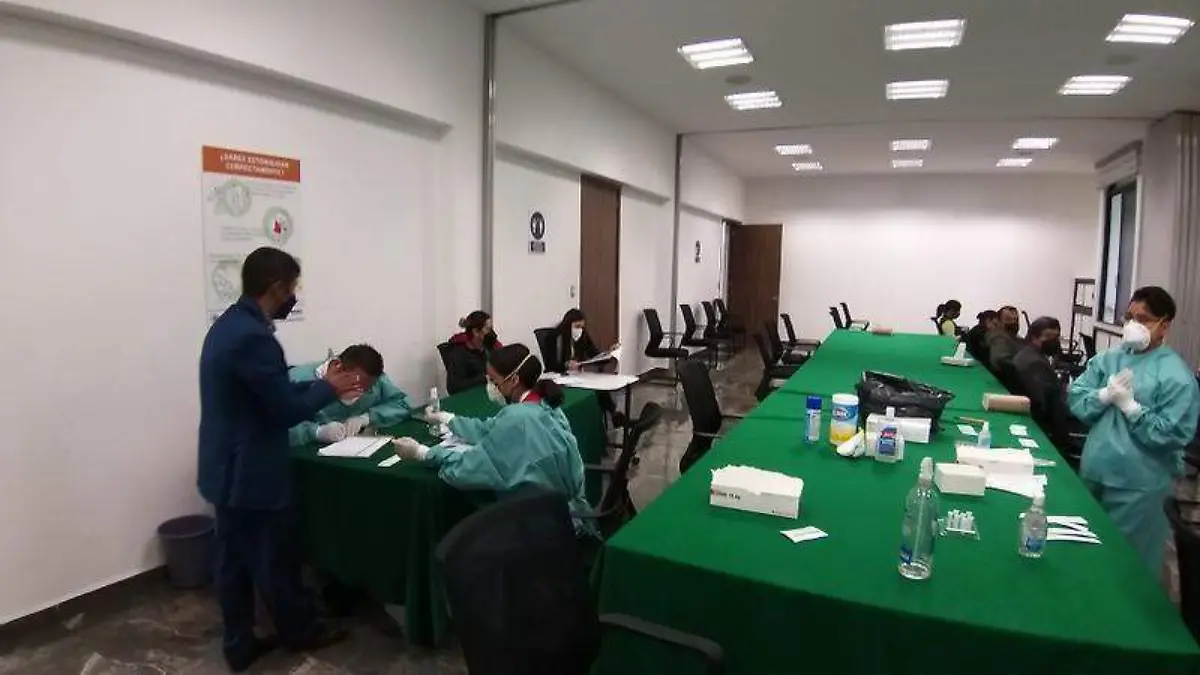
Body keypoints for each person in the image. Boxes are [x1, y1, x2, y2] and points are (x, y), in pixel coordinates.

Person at [198, 247, 362, 672]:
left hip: (223, 466)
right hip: (250, 472)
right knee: (276, 559)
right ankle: (301, 630)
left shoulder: (227, 326)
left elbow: (267, 391)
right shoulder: (254, 338)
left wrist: (316, 382)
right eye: (292, 288)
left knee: (232, 562)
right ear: (275, 287)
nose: (293, 296)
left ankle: (239, 645)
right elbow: (286, 410)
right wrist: (328, 388)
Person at [394, 344, 594, 534]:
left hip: (536, 523)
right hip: (565, 513)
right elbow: (489, 430)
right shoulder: (545, 404)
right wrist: (448, 418)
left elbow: (471, 468)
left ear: (514, 380)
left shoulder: (518, 418)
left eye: (493, 380)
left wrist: (422, 453)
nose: (490, 386)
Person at [1068, 286, 1200, 573]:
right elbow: (1077, 398)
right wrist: (1103, 395)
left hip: (1139, 483)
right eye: (1129, 317)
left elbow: (1171, 434)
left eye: (1143, 319)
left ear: (1164, 325)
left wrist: (1132, 409)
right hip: (1095, 470)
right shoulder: (1110, 359)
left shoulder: (1176, 376)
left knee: (1127, 565)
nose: (1132, 325)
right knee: (1086, 558)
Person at [288, 344, 415, 447]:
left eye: (367, 388)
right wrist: (316, 432)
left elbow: (402, 404)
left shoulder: (374, 380)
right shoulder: (295, 379)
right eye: (356, 385)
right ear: (336, 366)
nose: (360, 392)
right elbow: (277, 425)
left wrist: (366, 418)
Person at [549, 308, 626, 427]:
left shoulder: (583, 336)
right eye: (577, 326)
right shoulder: (555, 337)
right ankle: (612, 414)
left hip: (577, 375)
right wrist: (565, 364)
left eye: (582, 327)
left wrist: (608, 353)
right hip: (561, 377)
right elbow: (551, 364)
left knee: (599, 385)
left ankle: (613, 413)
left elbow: (594, 355)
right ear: (568, 325)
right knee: (594, 391)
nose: (579, 330)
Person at [443, 310, 501, 394]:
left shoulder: (489, 348)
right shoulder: (459, 354)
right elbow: (453, 387)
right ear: (476, 332)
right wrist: (485, 378)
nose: (491, 333)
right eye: (488, 329)